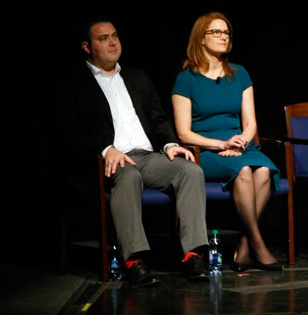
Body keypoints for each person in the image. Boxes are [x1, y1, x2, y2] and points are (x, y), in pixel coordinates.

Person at [61, 18, 210, 286]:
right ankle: (134, 261)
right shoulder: (76, 84)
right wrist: (107, 149)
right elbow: (70, 134)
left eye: (115, 35)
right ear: (87, 46)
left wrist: (169, 144)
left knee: (191, 170)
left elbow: (157, 119)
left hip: (148, 156)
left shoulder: (137, 76)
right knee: (128, 176)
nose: (113, 42)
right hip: (108, 161)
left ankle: (193, 255)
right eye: (103, 38)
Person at [171, 11, 283, 272]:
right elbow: (184, 134)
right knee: (244, 172)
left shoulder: (240, 73)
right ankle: (257, 243)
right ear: (201, 38)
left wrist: (241, 142)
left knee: (265, 170)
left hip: (241, 145)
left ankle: (245, 243)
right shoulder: (186, 79)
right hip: (206, 149)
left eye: (226, 32)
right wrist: (222, 145)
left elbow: (251, 123)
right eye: (216, 32)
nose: (224, 37)